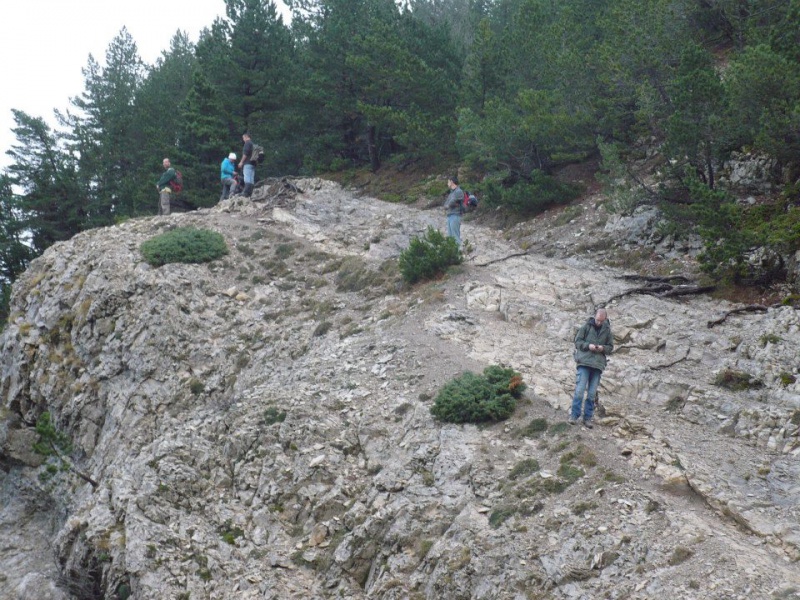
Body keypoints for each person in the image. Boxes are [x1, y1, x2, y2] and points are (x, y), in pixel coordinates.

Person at [570, 307, 613, 428]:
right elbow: (577, 342)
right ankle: (574, 415)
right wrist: (588, 346)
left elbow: (610, 347)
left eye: (601, 321)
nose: (599, 322)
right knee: (579, 391)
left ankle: (587, 418)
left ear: (605, 319)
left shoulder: (608, 331)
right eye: (597, 320)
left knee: (591, 394)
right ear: (595, 316)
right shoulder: (586, 327)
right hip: (584, 362)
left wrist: (603, 348)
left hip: (598, 365)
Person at [443, 175, 464, 247]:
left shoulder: (459, 191)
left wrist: (448, 206)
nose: (447, 183)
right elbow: (446, 203)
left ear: (452, 182)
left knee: (455, 235)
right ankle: (453, 253)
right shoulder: (451, 192)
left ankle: (458, 253)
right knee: (450, 236)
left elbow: (451, 202)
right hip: (450, 215)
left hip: (455, 215)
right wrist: (447, 205)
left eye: (448, 182)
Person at [238, 133, 255, 197]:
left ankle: (246, 193)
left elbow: (245, 154)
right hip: (253, 164)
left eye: (243, 138)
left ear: (246, 137)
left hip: (247, 163)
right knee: (251, 178)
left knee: (247, 178)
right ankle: (250, 192)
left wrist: (241, 162)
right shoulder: (253, 144)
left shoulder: (247, 143)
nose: (243, 139)